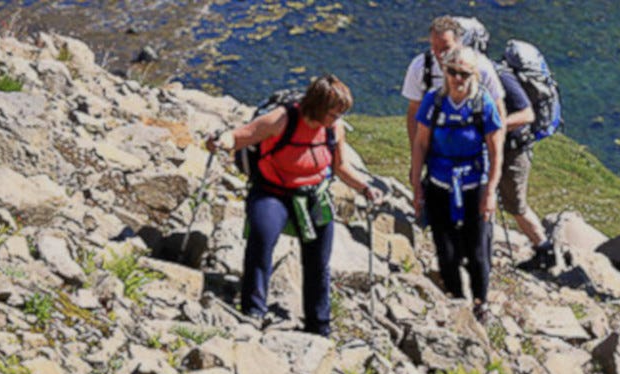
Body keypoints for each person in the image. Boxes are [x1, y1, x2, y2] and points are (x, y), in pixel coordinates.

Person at [207, 74, 383, 336]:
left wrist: (365, 187)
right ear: (318, 107)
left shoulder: (335, 129)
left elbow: (340, 167)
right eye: (334, 114)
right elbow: (240, 137)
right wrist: (220, 141)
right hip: (272, 192)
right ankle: (254, 311)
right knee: (261, 240)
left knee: (318, 262)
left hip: (313, 195)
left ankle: (318, 325)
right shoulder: (281, 119)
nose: (338, 119)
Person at [410, 46, 504, 323]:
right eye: (452, 71)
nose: (457, 78)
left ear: (474, 74)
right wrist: (416, 184)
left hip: (475, 183)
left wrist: (491, 192)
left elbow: (496, 150)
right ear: (445, 71)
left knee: (477, 251)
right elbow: (421, 143)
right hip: (439, 183)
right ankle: (455, 300)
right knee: (446, 249)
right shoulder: (433, 102)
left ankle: (480, 303)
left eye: (464, 73)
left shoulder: (483, 103)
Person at [401, 16, 504, 142]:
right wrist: (416, 151)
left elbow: (498, 110)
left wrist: (496, 152)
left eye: (445, 48)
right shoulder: (419, 67)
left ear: (458, 42)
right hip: (437, 146)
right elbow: (414, 111)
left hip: (475, 146)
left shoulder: (482, 67)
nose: (439, 55)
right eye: (435, 48)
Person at [495, 61, 554, 270]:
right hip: (502, 145)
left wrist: (493, 127)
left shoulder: (502, 77)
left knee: (515, 204)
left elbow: (527, 115)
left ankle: (545, 249)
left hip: (514, 150)